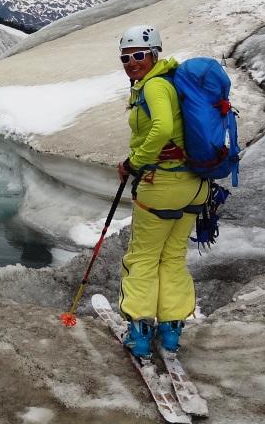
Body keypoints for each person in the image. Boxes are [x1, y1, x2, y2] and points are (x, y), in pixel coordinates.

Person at [115, 24, 208, 359]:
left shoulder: (154, 86)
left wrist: (135, 161)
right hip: (194, 185)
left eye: (139, 55)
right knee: (172, 257)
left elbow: (163, 127)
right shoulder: (170, 82)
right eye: (126, 58)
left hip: (163, 185)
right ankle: (170, 330)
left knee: (142, 258)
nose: (132, 63)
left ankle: (140, 334)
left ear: (154, 54)